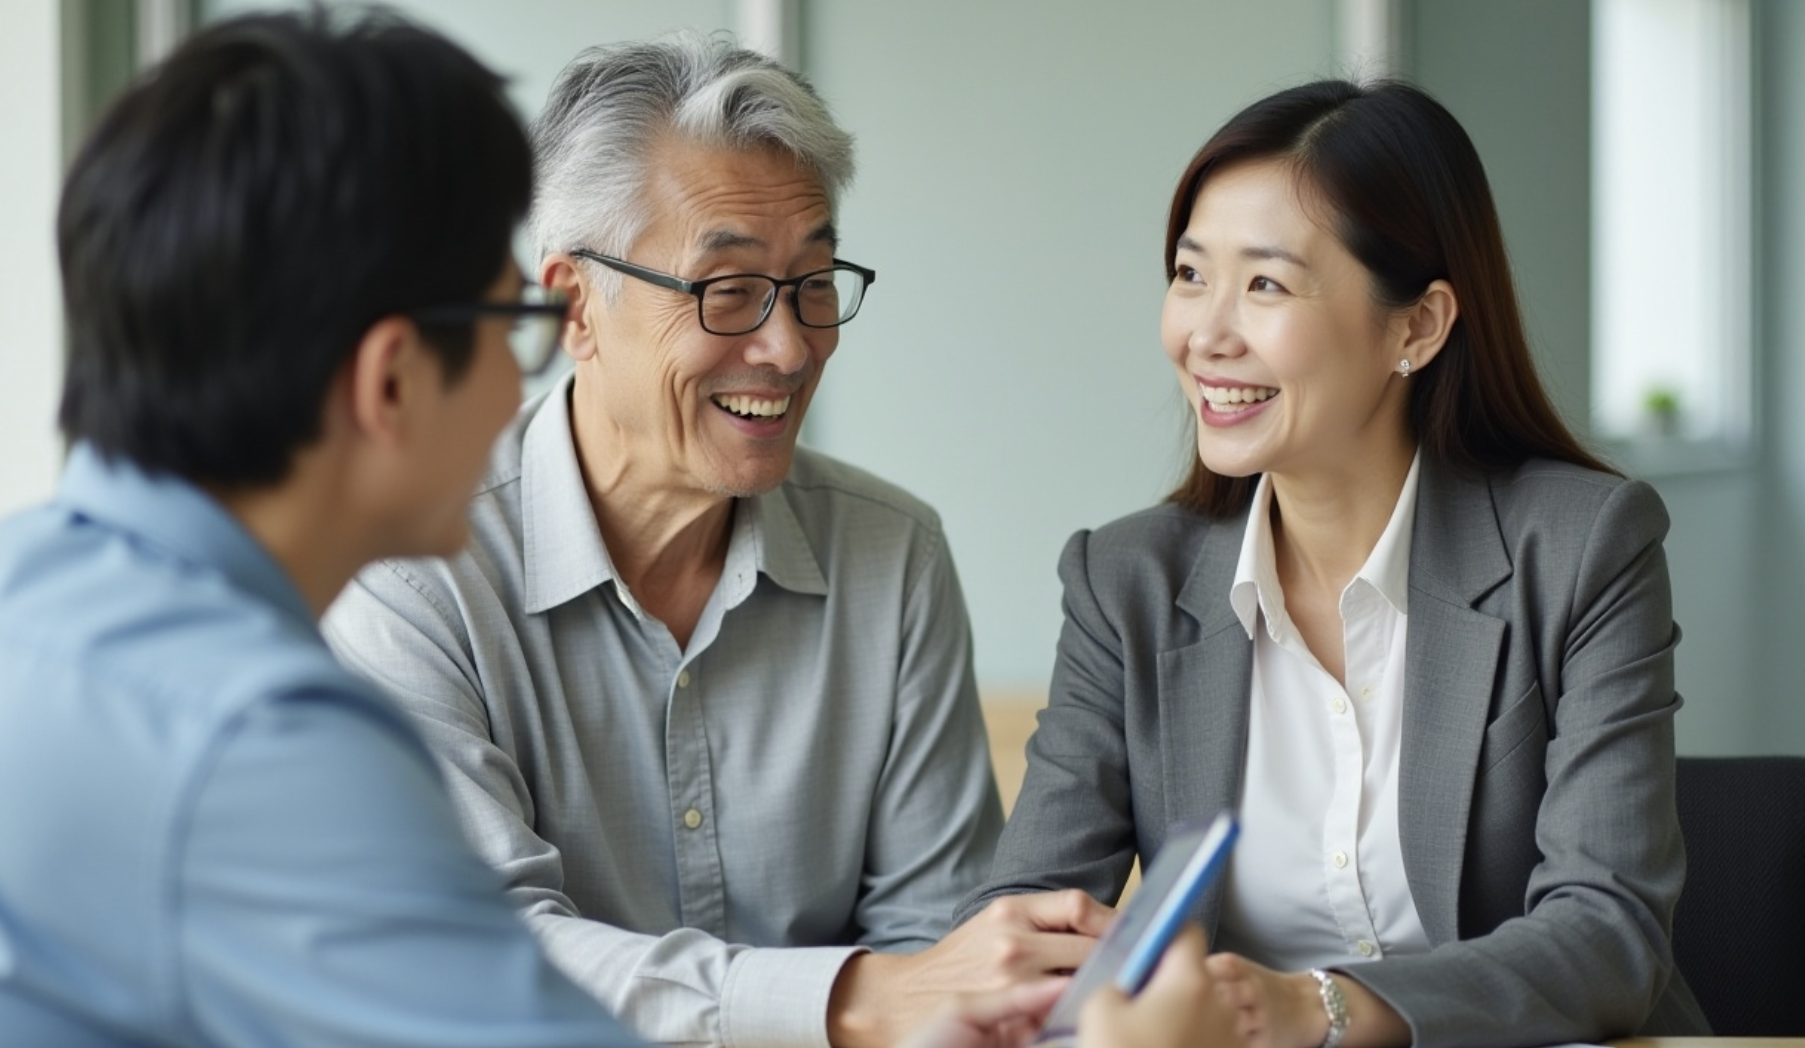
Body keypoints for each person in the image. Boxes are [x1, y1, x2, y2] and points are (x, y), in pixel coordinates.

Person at [321, 31, 1110, 1048]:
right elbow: (478, 956)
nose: (785, 348)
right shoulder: (410, 568)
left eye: (813, 283)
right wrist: (844, 1001)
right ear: (574, 305)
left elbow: (937, 949)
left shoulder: (892, 556)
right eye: (725, 291)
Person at [959, 78, 1713, 1048]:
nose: (1204, 334)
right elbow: (1028, 919)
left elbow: (1606, 934)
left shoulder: (1579, 547)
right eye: (1190, 275)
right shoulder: (1125, 583)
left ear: (1416, 326)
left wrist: (1313, 1006)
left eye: (1265, 283)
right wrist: (1053, 973)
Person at [0, 9, 645, 1046]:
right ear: (390, 379)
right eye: (511, 328)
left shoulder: (28, 597)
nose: (514, 397)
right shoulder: (256, 744)